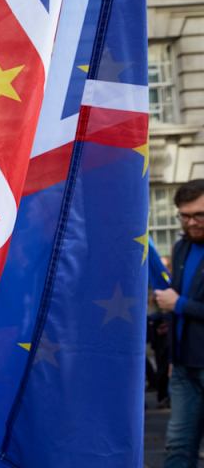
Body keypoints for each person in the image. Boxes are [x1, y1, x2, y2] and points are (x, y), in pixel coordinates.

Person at [155, 178, 204, 468]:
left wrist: (180, 304)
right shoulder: (181, 247)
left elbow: (179, 302)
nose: (191, 222)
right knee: (177, 447)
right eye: (184, 216)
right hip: (185, 365)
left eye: (199, 215)